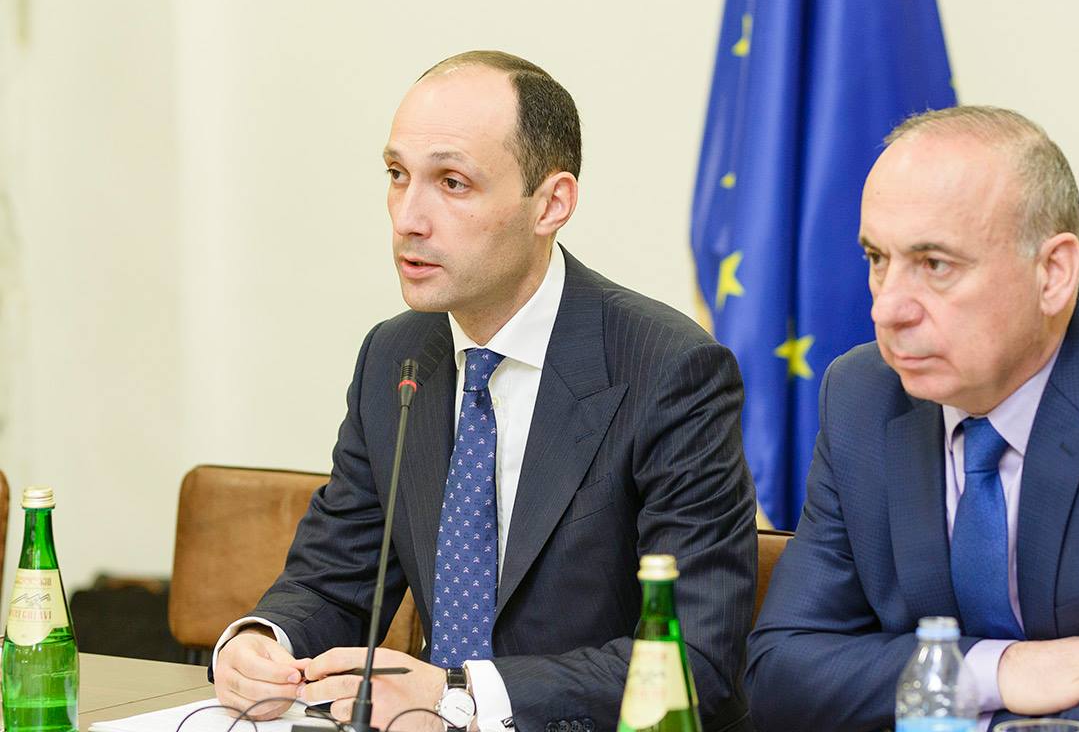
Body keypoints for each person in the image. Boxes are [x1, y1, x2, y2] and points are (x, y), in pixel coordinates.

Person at [212, 51, 757, 732]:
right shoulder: (395, 359)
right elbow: (335, 579)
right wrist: (262, 641)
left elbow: (695, 660)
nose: (409, 218)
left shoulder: (668, 369)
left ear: (551, 204)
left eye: (452, 183)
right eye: (397, 175)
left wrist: (461, 696)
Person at [745, 106, 1079, 731]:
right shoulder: (863, 395)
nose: (888, 309)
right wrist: (999, 671)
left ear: (1053, 272)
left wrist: (932, 703)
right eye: (878, 258)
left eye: (935, 265)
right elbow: (781, 677)